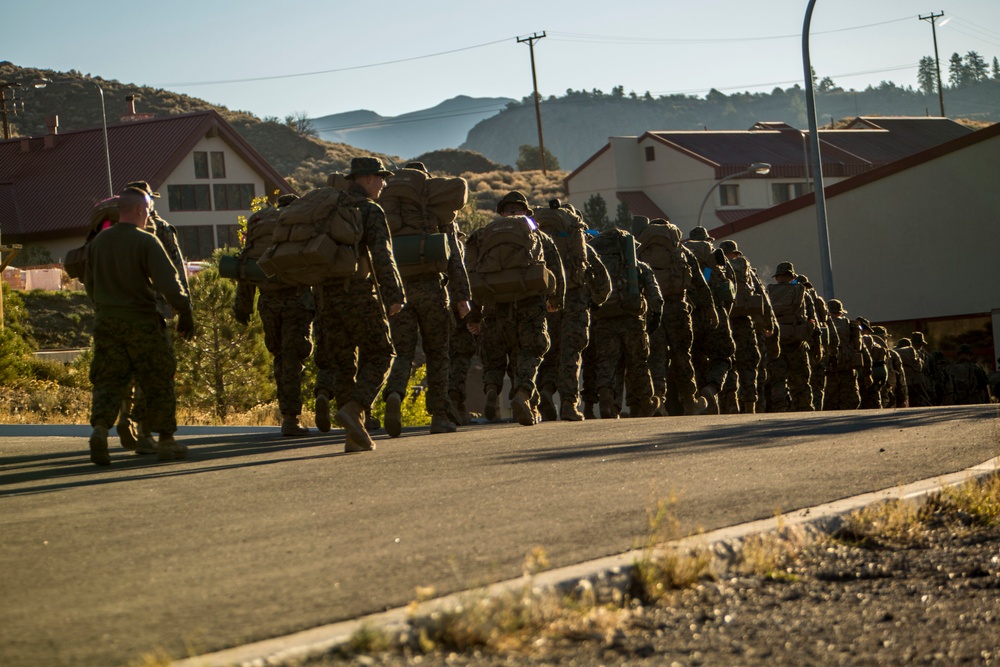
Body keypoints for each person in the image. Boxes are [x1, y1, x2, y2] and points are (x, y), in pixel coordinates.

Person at [84, 184, 195, 466]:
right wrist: (184, 311)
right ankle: (166, 441)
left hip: (107, 323)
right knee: (158, 379)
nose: (148, 214)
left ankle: (99, 431)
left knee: (108, 380)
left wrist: (105, 308)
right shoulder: (147, 241)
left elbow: (90, 284)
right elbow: (169, 283)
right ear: (138, 209)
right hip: (142, 322)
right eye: (147, 209)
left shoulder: (99, 242)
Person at [313, 157, 405, 451]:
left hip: (326, 298)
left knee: (343, 365)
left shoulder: (329, 208)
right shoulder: (370, 210)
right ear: (366, 179)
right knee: (382, 353)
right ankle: (354, 410)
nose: (383, 184)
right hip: (358, 294)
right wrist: (394, 296)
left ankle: (353, 437)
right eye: (381, 178)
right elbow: (382, 257)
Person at [380, 162, 472, 437]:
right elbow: (454, 256)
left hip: (399, 290)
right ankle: (439, 415)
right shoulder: (435, 209)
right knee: (438, 352)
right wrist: (462, 298)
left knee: (402, 350)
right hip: (432, 288)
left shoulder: (388, 210)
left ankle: (395, 392)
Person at [467, 190, 565, 426]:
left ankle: (492, 388)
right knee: (531, 351)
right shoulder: (538, 236)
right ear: (525, 213)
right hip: (529, 303)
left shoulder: (481, 236)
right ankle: (522, 394)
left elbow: (470, 273)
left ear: (501, 212)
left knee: (495, 354)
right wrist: (555, 301)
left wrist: (474, 314)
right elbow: (557, 270)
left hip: (494, 304)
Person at [234, 194, 315, 437]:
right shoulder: (301, 226)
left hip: (267, 302)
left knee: (280, 358)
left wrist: (243, 307)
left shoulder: (261, 225)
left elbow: (246, 266)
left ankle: (287, 414)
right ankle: (291, 418)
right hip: (296, 300)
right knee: (293, 359)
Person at [535, 199, 612, 421]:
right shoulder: (583, 247)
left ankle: (546, 392)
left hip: (547, 300)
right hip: (576, 302)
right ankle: (568, 404)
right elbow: (603, 280)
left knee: (549, 352)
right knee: (571, 353)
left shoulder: (541, 241)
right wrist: (597, 301)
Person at [638, 219, 710, 416]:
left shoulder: (641, 252)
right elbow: (700, 282)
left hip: (653, 309)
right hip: (678, 307)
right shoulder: (682, 252)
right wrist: (709, 308)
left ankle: (658, 399)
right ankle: (690, 401)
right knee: (682, 355)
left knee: (657, 356)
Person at [718, 239, 777, 414]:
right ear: (736, 254)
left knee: (727, 362)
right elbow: (763, 298)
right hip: (744, 321)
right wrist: (768, 324)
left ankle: (730, 400)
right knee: (748, 364)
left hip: (723, 321)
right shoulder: (746, 269)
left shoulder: (714, 268)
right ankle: (750, 404)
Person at [682, 227, 736, 413]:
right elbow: (730, 292)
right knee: (722, 356)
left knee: (694, 357)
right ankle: (711, 389)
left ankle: (698, 401)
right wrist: (722, 314)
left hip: (690, 315)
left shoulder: (682, 256)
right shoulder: (718, 258)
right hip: (716, 314)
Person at [765, 261, 814, 412]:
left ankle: (780, 407)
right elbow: (811, 318)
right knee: (800, 376)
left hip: (775, 339)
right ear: (792, 276)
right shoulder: (801, 290)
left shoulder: (769, 291)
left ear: (777, 277)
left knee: (778, 378)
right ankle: (804, 406)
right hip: (796, 338)